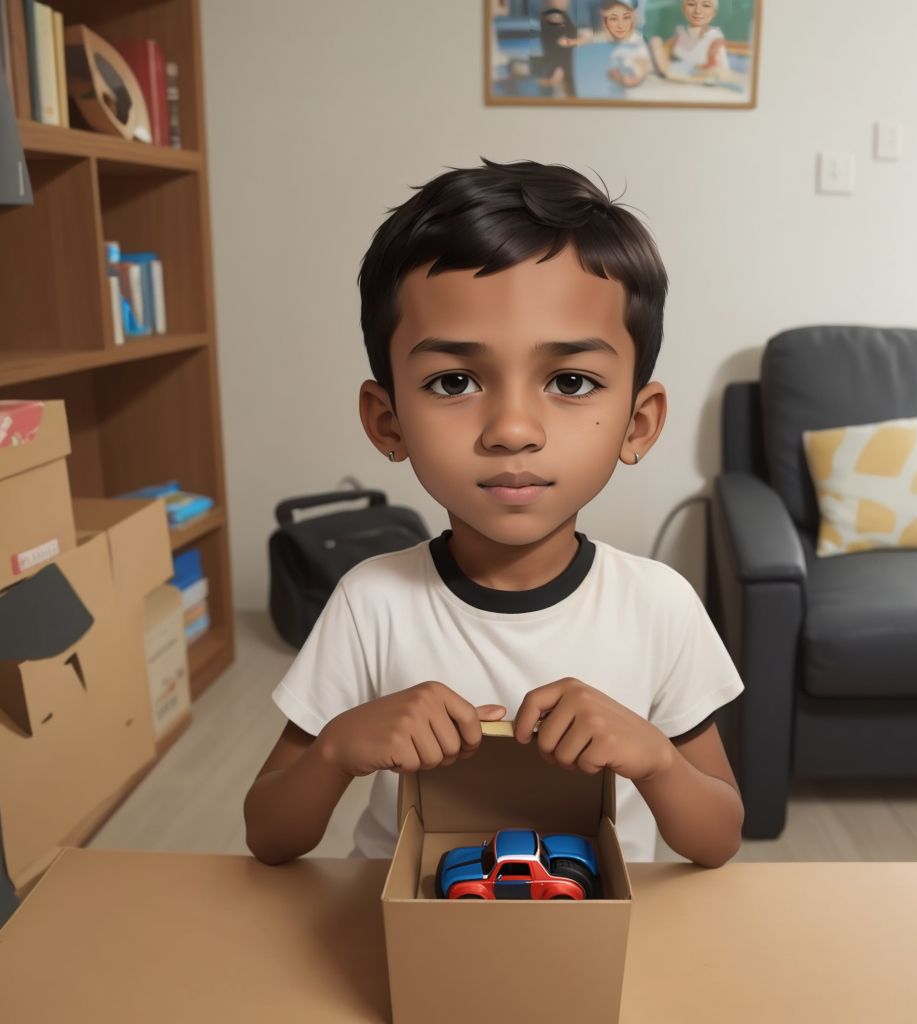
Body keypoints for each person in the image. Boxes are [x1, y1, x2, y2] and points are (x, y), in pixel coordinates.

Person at [243, 158, 745, 869]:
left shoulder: (659, 605)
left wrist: (658, 762)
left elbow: (718, 838)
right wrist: (337, 749)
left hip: (590, 928)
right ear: (387, 422)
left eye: (570, 381)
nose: (512, 428)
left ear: (638, 422)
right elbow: (269, 835)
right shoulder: (371, 602)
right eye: (455, 381)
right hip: (403, 924)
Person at [650, 0, 732, 85]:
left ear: (714, 12)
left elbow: (723, 73)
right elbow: (663, 55)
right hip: (673, 75)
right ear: (683, 8)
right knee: (655, 41)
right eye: (691, 4)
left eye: (706, 5)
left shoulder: (714, 38)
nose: (697, 11)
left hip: (695, 80)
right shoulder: (679, 33)